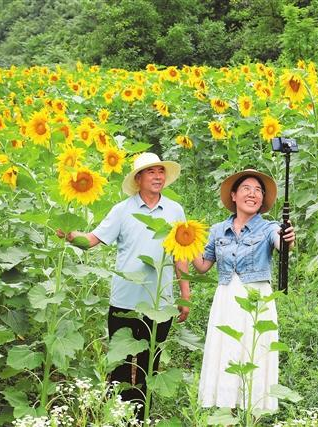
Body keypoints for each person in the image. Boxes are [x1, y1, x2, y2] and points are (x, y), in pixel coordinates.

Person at [57, 152, 190, 420]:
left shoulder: (175, 210)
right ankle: (116, 416)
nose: (157, 177)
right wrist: (70, 235)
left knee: (148, 365)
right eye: (151, 172)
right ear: (138, 179)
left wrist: (185, 293)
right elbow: (94, 239)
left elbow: (181, 253)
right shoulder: (122, 210)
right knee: (119, 364)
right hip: (125, 300)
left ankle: (140, 417)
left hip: (160, 303)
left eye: (160, 172)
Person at [191, 169, 295, 412]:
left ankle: (252, 410)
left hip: (256, 298)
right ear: (234, 196)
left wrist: (288, 237)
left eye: (258, 190)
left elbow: (282, 243)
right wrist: (186, 242)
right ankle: (226, 409)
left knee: (254, 350)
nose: (253, 194)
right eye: (247, 189)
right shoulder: (218, 229)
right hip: (226, 297)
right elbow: (203, 266)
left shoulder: (269, 228)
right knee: (226, 348)